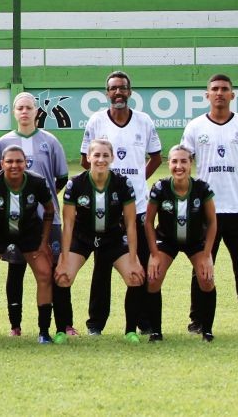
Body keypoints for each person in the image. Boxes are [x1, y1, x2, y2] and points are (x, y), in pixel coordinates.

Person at [80, 71, 162, 336]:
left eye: (122, 88)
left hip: (137, 208)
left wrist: (136, 180)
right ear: (107, 93)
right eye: (113, 88)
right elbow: (85, 161)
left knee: (141, 263)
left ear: (130, 91)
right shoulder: (96, 121)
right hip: (106, 210)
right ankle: (96, 324)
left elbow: (156, 157)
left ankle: (145, 322)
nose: (118, 93)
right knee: (102, 267)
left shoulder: (144, 121)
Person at [181, 74, 238, 334]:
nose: (219, 93)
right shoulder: (195, 127)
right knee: (201, 266)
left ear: (232, 95)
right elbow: (183, 164)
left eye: (224, 89)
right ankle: (197, 320)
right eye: (214, 89)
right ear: (207, 95)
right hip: (206, 212)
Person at [0, 92, 70, 337]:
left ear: (37, 112)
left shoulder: (50, 141)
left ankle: (63, 325)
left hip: (49, 219)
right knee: (16, 271)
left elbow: (62, 177)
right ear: (14, 113)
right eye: (20, 108)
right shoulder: (3, 143)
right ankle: (15, 326)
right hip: (14, 221)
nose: (24, 111)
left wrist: (40, 198)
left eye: (29, 108)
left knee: (53, 270)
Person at [53, 139, 146, 344]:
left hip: (112, 237)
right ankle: (61, 330)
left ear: (112, 158)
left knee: (135, 277)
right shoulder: (76, 184)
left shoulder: (122, 183)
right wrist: (63, 258)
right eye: (96, 155)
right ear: (88, 158)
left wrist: (134, 258)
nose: (101, 159)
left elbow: (131, 224)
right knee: (62, 276)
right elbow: (67, 225)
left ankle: (130, 330)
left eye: (105, 155)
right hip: (82, 236)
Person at [0, 145, 56, 344]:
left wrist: (44, 242)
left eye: (19, 161)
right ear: (2, 164)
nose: (14, 165)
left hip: (28, 231)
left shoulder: (37, 182)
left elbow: (49, 210)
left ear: (26, 163)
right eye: (9, 161)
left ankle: (44, 332)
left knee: (44, 273)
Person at [144, 145, 218, 342]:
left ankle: (207, 330)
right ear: (169, 164)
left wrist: (207, 254)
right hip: (166, 240)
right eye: (175, 161)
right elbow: (148, 222)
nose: (179, 166)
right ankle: (156, 331)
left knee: (206, 278)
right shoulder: (160, 188)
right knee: (153, 277)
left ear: (190, 163)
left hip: (196, 241)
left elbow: (212, 222)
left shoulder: (202, 188)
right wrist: (153, 253)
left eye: (183, 161)